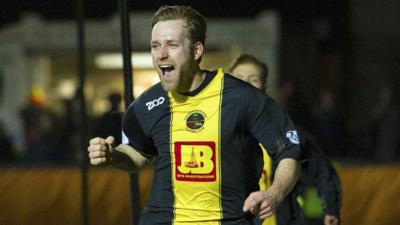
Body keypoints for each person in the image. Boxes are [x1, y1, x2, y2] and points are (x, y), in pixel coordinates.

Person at [88, 6, 302, 225]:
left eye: (172, 45)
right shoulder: (146, 105)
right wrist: (112, 155)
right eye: (155, 45)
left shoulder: (242, 98)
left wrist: (275, 193)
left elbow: (289, 151)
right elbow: (136, 153)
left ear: (196, 51)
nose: (162, 53)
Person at [230, 54, 342, 225]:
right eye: (238, 79)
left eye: (253, 80)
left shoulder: (287, 133)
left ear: (264, 88)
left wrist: (331, 208)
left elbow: (322, 171)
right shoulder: (215, 130)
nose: (245, 85)